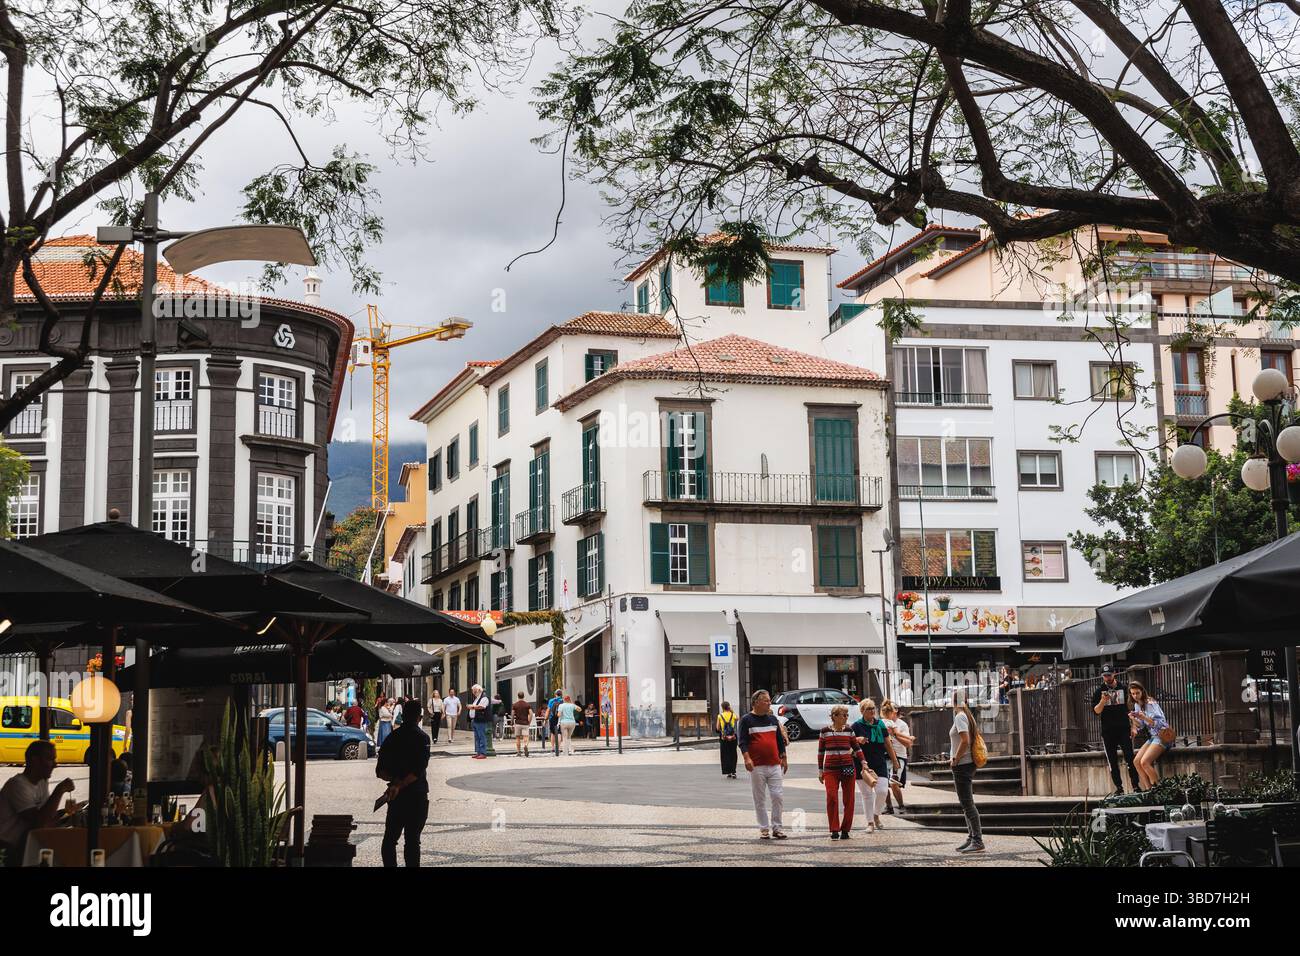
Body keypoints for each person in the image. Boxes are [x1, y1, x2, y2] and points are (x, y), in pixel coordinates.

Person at [0, 740, 76, 865]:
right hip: (7, 848)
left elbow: (47, 815)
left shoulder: (42, 781)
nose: (55, 765)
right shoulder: (17, 785)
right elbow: (39, 822)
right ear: (35, 761)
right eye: (50, 759)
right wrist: (59, 790)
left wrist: (66, 816)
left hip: (27, 843)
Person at [375, 699, 431, 867]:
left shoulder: (392, 737)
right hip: (416, 795)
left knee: (390, 839)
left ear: (403, 716)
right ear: (419, 718)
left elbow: (380, 771)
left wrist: (395, 782)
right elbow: (419, 769)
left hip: (396, 798)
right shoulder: (422, 738)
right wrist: (401, 784)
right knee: (413, 841)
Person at [737, 689, 787, 840]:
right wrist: (747, 758)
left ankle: (777, 827)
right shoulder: (746, 720)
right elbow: (742, 741)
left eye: (769, 700)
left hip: (774, 764)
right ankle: (764, 828)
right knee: (759, 798)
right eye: (766, 701)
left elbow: (779, 740)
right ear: (756, 702)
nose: (769, 703)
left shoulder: (772, 720)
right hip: (757, 765)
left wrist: (784, 757)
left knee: (777, 796)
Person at [1091, 664, 1140, 795]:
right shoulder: (1099, 691)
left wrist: (1133, 726)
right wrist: (1102, 701)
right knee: (1112, 761)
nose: (1107, 678)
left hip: (1124, 728)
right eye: (1105, 676)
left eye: (1109, 675)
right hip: (1108, 731)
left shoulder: (1123, 688)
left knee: (1130, 758)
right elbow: (1096, 711)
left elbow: (1130, 708)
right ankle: (1119, 788)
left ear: (1114, 674)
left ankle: (1136, 786)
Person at [852, 698, 898, 833]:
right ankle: (870, 822)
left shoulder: (880, 725)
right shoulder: (856, 726)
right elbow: (848, 741)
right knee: (867, 795)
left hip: (879, 762)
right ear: (862, 711)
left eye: (873, 708)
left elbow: (887, 744)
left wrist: (894, 760)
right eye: (869, 709)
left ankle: (876, 815)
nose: (872, 711)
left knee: (882, 791)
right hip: (862, 763)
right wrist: (857, 739)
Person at [818, 704, 863, 839]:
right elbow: (821, 752)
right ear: (835, 717)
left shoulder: (849, 731)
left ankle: (845, 830)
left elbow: (857, 748)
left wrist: (864, 762)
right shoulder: (825, 731)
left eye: (847, 715)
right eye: (844, 715)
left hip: (848, 768)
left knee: (849, 800)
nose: (846, 718)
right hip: (830, 770)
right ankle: (834, 829)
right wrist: (820, 771)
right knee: (832, 797)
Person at [949, 689, 984, 854]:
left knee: (967, 804)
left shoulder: (960, 716)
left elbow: (965, 741)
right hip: (966, 764)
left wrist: (955, 759)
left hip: (963, 765)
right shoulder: (966, 715)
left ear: (954, 701)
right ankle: (971, 837)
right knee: (966, 804)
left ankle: (977, 840)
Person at [1129, 680, 1172, 791]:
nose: (1135, 696)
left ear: (1142, 691)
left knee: (1145, 762)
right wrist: (1134, 719)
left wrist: (1144, 717)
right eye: (1133, 694)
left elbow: (1161, 723)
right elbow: (1141, 726)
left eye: (1137, 693)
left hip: (1163, 735)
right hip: (1153, 737)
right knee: (1136, 761)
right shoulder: (1137, 705)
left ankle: (1158, 790)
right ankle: (1148, 790)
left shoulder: (1150, 703)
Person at [880, 700, 912, 814]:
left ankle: (901, 805)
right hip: (884, 756)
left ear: (895, 711)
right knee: (883, 784)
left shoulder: (901, 724)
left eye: (891, 709)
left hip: (899, 756)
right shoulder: (881, 722)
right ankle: (889, 807)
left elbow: (908, 744)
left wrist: (894, 734)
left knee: (893, 783)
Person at [468, 684, 493, 759]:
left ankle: (483, 753)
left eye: (474, 690)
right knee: (477, 737)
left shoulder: (484, 698)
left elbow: (482, 707)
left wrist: (472, 707)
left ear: (478, 690)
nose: (473, 692)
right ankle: (478, 752)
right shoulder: (477, 698)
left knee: (481, 736)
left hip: (480, 720)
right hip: (475, 720)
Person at [716, 701, 740, 778]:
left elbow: (718, 728)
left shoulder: (720, 716)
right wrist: (732, 711)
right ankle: (733, 771)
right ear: (729, 707)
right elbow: (738, 718)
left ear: (722, 707)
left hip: (724, 738)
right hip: (733, 737)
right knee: (733, 754)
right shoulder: (733, 715)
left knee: (725, 754)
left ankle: (728, 771)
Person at [511, 692, 534, 757]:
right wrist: (529, 721)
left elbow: (512, 714)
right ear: (524, 696)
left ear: (518, 696)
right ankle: (525, 745)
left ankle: (518, 752)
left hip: (518, 723)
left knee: (517, 738)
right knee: (526, 737)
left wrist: (512, 723)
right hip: (525, 723)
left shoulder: (515, 705)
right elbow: (531, 714)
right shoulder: (527, 705)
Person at [546, 688, 564, 756]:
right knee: (559, 733)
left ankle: (553, 747)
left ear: (555, 694)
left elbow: (548, 710)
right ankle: (558, 748)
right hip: (560, 718)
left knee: (553, 733)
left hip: (552, 718)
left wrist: (546, 718)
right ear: (561, 694)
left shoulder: (551, 700)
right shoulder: (562, 701)